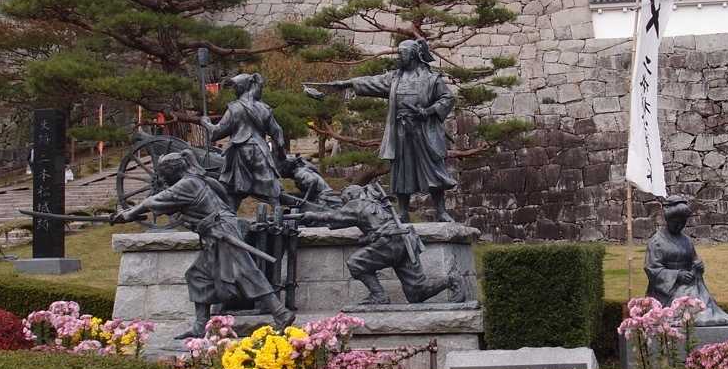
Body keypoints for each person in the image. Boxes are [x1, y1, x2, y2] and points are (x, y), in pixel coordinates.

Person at [111, 152, 295, 339]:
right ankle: (200, 326)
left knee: (244, 272)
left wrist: (128, 214)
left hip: (221, 231)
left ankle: (281, 313)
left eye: (163, 174)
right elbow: (170, 204)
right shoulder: (194, 180)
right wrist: (132, 212)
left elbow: (153, 201)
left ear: (173, 171)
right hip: (215, 232)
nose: (162, 178)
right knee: (198, 275)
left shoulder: (188, 184)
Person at [304, 39, 456, 222]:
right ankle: (403, 212)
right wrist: (345, 83)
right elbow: (371, 82)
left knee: (433, 170)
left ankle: (441, 211)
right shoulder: (394, 78)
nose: (398, 56)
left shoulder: (431, 79)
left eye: (402, 53)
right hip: (401, 131)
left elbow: (447, 98)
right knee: (401, 172)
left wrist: (428, 111)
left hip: (423, 130)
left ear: (414, 55)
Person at [297, 183, 466, 306]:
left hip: (389, 241)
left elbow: (334, 218)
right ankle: (450, 280)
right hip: (405, 240)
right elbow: (371, 225)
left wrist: (311, 215)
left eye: (344, 198)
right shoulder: (378, 205)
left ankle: (379, 296)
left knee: (355, 263)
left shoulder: (356, 204)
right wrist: (368, 238)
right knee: (416, 293)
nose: (344, 202)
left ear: (351, 195)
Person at [644, 195, 728, 325]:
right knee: (690, 299)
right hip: (667, 290)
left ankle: (706, 315)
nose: (679, 226)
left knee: (701, 297)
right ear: (668, 219)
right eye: (676, 222)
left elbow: (694, 260)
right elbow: (652, 269)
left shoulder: (686, 240)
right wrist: (678, 275)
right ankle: (697, 316)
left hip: (690, 283)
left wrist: (698, 266)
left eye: (683, 222)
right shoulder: (656, 241)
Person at [203, 72, 287, 210]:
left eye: (235, 87)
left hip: (240, 151)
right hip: (260, 150)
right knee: (270, 187)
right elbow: (277, 132)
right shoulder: (264, 108)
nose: (233, 90)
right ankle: (278, 212)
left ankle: (230, 216)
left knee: (234, 188)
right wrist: (282, 155)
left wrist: (206, 123)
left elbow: (217, 132)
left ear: (240, 88)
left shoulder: (234, 108)